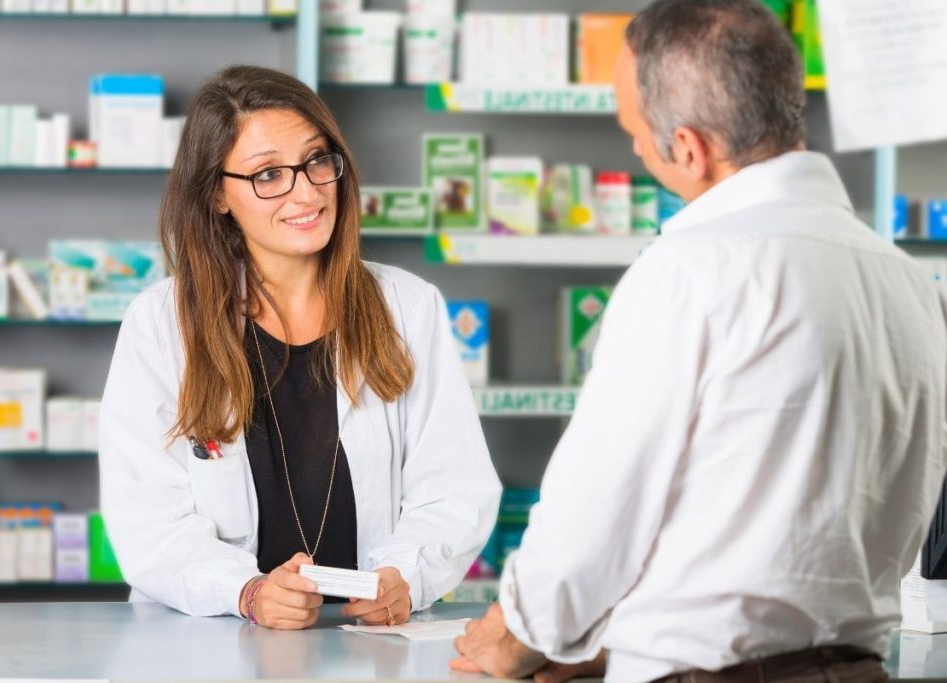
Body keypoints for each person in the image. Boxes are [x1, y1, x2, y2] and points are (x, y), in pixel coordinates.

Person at [452, 1, 947, 681]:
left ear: (689, 147)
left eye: (634, 132)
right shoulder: (909, 281)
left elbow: (594, 512)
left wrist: (520, 637)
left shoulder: (691, 271)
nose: (634, 147)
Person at [98, 65, 501, 630]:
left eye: (316, 160)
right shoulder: (163, 324)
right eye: (268, 174)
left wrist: (404, 576)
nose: (306, 191)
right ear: (217, 194)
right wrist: (248, 592)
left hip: (372, 643)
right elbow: (148, 520)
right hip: (213, 642)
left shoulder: (408, 309)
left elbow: (455, 490)